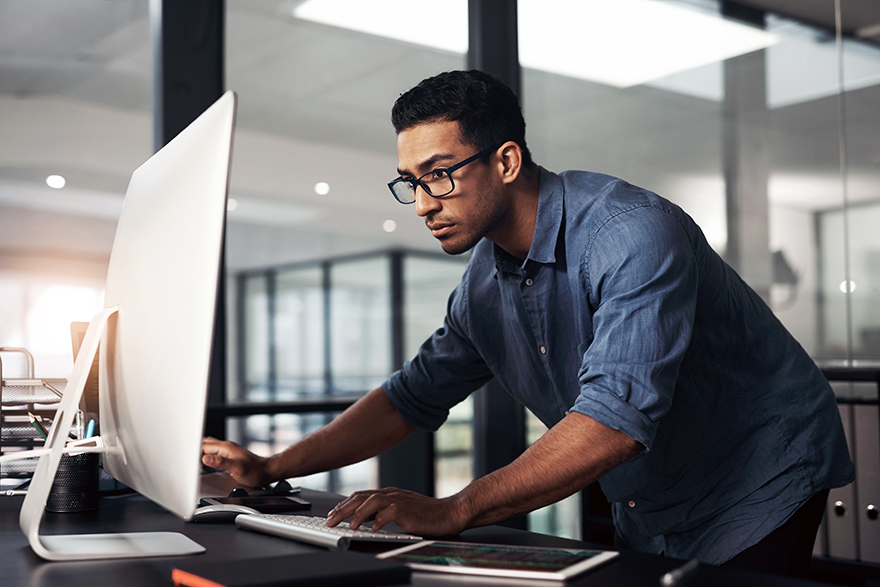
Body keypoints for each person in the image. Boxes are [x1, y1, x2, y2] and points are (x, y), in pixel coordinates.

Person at [202, 70, 853, 575]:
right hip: (653, 494)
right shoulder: (484, 282)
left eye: (440, 176)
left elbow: (614, 421)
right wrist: (272, 463)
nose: (424, 204)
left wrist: (455, 507)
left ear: (506, 161)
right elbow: (411, 397)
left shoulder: (631, 234)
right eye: (411, 182)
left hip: (760, 468)